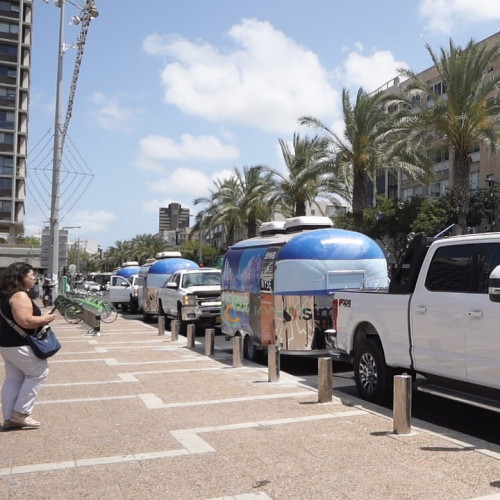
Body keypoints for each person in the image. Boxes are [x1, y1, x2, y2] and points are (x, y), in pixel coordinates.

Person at [0, 263, 56, 430]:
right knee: (39, 372)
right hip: (20, 344)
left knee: (13, 380)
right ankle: (21, 413)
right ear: (21, 277)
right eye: (31, 275)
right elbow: (25, 321)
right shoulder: (19, 295)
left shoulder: (5, 295)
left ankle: (10, 418)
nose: (34, 278)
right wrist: (45, 319)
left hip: (7, 345)